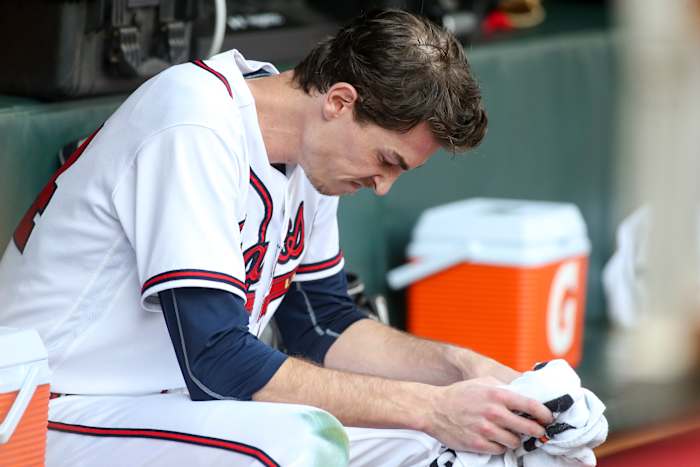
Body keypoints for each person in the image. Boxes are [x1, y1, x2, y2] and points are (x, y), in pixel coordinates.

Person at [0, 9, 553, 467]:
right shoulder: (194, 120)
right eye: (386, 160)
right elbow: (218, 361)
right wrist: (432, 406)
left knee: (467, 450)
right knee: (300, 448)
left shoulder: (314, 160)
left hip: (171, 408)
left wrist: (478, 375)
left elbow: (323, 325)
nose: (383, 186)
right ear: (339, 101)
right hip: (52, 407)